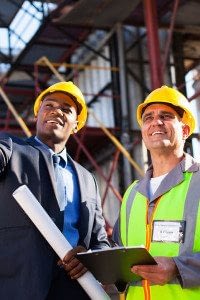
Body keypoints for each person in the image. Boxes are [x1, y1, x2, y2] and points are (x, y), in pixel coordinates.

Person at [0, 81, 109, 300]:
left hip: (74, 288)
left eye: (66, 109)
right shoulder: (11, 149)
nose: (56, 111)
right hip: (18, 287)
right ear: (37, 115)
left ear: (76, 124)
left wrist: (88, 257)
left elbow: (100, 242)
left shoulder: (87, 179)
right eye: (48, 105)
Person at [112, 85, 200, 299]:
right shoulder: (132, 193)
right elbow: (117, 252)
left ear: (185, 130)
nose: (156, 122)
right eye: (148, 118)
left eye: (166, 116)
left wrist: (178, 268)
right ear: (144, 132)